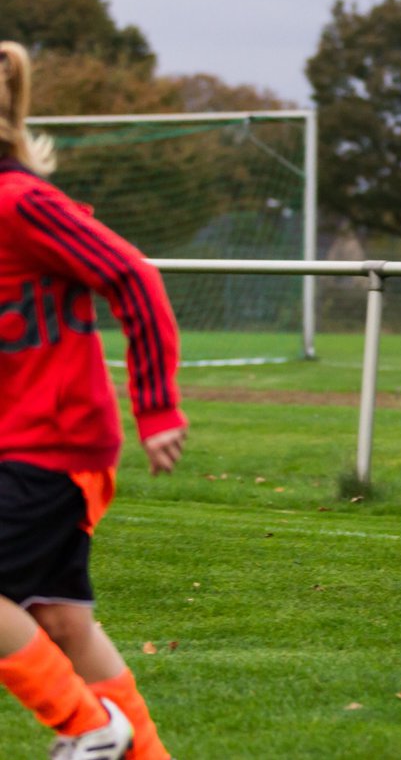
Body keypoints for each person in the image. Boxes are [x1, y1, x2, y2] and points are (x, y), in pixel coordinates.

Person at [0, 41, 186, 759]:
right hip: (26, 443)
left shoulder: (21, 202)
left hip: (52, 444)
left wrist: (158, 407)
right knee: (61, 619)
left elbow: (133, 278)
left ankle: (88, 730)